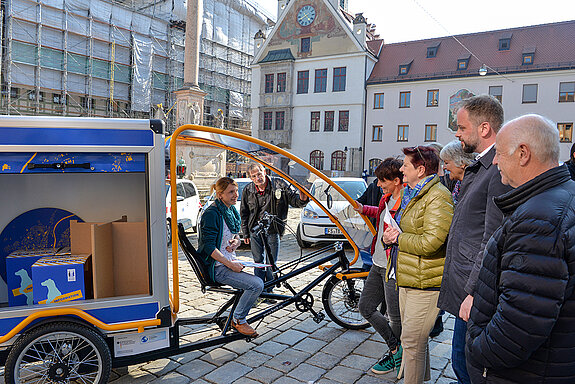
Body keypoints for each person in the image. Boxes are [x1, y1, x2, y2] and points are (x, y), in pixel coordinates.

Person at [466, 114, 575, 382]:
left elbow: (519, 327)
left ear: (523, 154)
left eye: (500, 153)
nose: (494, 161)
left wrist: (478, 350)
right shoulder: (561, 195)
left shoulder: (539, 220)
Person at [437, 95, 511, 384]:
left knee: (465, 364)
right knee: (461, 363)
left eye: (461, 127)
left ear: (483, 129)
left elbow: (491, 238)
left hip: (474, 291)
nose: (456, 133)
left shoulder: (496, 170)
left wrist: (472, 292)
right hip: (466, 285)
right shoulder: (483, 165)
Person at [383, 146, 454, 383]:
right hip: (410, 278)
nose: (401, 169)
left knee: (412, 341)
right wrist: (391, 235)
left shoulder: (438, 196)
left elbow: (431, 242)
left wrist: (398, 238)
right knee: (414, 341)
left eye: (405, 165)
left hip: (426, 283)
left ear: (421, 170)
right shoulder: (414, 192)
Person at [197, 177, 264, 336]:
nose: (236, 195)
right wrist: (230, 265)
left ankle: (237, 314)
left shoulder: (230, 210)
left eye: (236, 191)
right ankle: (238, 320)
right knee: (257, 285)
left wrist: (236, 242)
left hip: (229, 261)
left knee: (263, 274)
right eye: (231, 192)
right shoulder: (212, 214)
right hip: (218, 268)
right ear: (220, 194)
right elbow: (208, 247)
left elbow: (234, 235)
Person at [354, 158, 403, 375]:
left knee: (395, 316)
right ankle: (395, 349)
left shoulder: (408, 203)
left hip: (394, 266)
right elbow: (381, 214)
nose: (378, 184)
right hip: (377, 262)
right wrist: (363, 208)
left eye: (383, 180)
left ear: (397, 180)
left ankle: (398, 355)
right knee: (365, 307)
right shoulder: (386, 198)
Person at [240, 163, 308, 293]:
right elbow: (244, 212)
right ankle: (260, 289)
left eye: (259, 174)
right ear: (251, 178)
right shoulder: (248, 190)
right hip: (255, 230)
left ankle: (270, 289)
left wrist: (302, 198)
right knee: (258, 262)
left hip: (273, 229)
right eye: (254, 176)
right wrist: (246, 233)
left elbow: (295, 201)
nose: (257, 178)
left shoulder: (279, 184)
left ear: (264, 172)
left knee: (271, 262)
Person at [356, 177, 383, 270]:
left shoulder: (395, 193)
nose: (380, 184)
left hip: (381, 232)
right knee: (368, 262)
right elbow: (361, 201)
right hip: (372, 230)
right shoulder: (373, 186)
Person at [439, 140, 477, 204]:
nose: (444, 167)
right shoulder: (459, 185)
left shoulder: (474, 185)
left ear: (462, 162)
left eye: (446, 163)